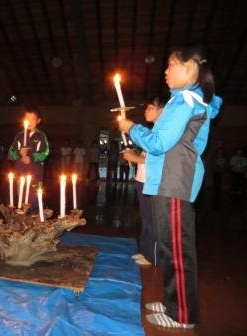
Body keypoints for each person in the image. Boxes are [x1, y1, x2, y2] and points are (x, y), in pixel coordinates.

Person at [119, 46, 222, 328]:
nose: (165, 71)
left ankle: (182, 314)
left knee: (177, 250)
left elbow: (159, 143)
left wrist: (131, 127)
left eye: (170, 65)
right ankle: (170, 302)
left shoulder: (186, 102)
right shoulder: (185, 101)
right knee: (168, 248)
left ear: (189, 68)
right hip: (168, 180)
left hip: (175, 181)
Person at [122, 97, 165, 268]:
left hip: (153, 181)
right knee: (146, 218)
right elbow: (147, 156)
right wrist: (135, 155)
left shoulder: (163, 132)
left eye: (150, 107)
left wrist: (136, 159)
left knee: (152, 220)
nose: (146, 111)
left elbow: (161, 159)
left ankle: (154, 256)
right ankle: (146, 251)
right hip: (143, 179)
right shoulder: (153, 131)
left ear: (161, 110)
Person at [8, 107, 49, 209]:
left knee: (36, 199)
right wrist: (19, 153)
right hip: (21, 172)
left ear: (38, 121)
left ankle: (38, 217)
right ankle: (23, 220)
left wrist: (31, 157)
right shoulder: (19, 136)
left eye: (33, 120)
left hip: (36, 174)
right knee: (22, 199)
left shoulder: (41, 136)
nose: (30, 122)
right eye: (27, 120)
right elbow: (10, 153)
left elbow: (45, 153)